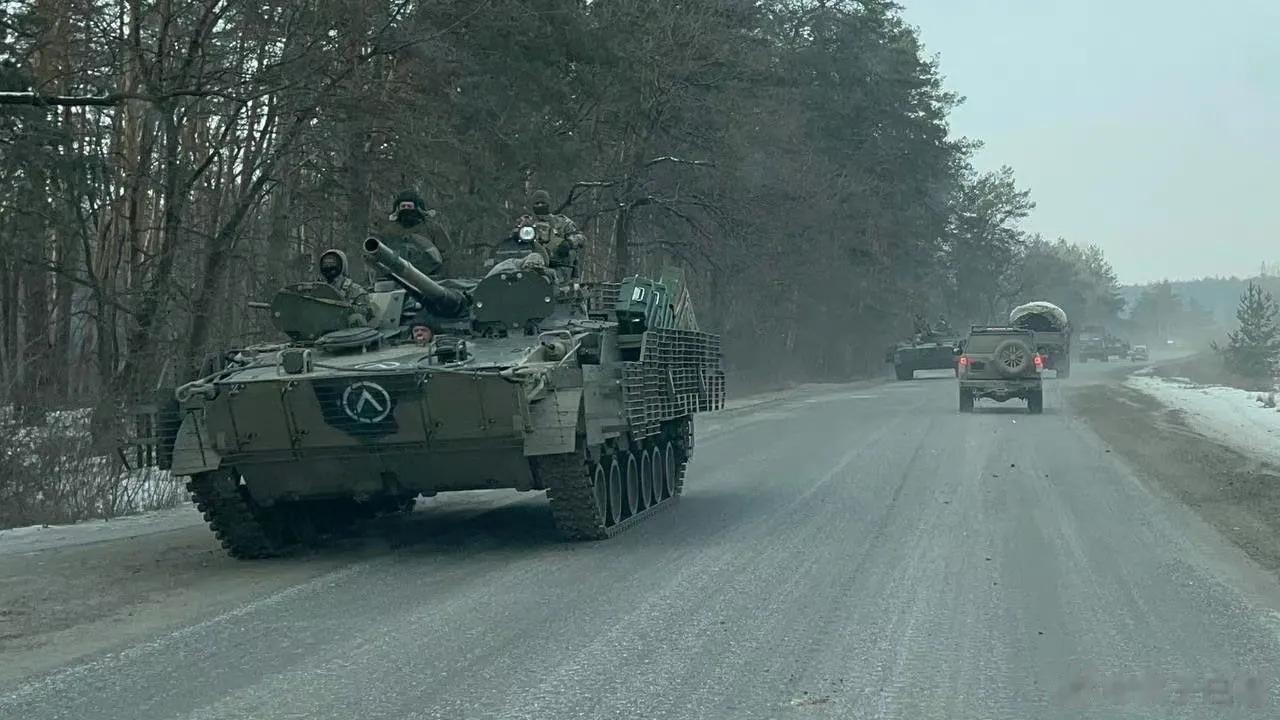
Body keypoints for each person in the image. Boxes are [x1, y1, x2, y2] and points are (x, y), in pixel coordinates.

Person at [377, 190, 449, 278]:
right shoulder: (389, 231)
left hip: (429, 277)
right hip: (397, 276)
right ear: (398, 208)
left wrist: (442, 275)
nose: (406, 209)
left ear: (416, 208)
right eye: (403, 206)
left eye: (409, 206)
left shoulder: (431, 228)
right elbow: (382, 255)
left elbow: (445, 254)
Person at [525, 189, 587, 281]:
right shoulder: (527, 223)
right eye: (537, 203)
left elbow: (581, 238)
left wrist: (569, 242)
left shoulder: (561, 222)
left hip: (559, 266)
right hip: (530, 265)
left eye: (542, 203)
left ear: (548, 204)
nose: (540, 206)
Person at [319, 249, 373, 326]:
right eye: (326, 264)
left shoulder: (357, 291)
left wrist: (346, 308)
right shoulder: (319, 289)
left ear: (342, 265)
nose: (329, 267)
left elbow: (366, 314)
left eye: (332, 264)